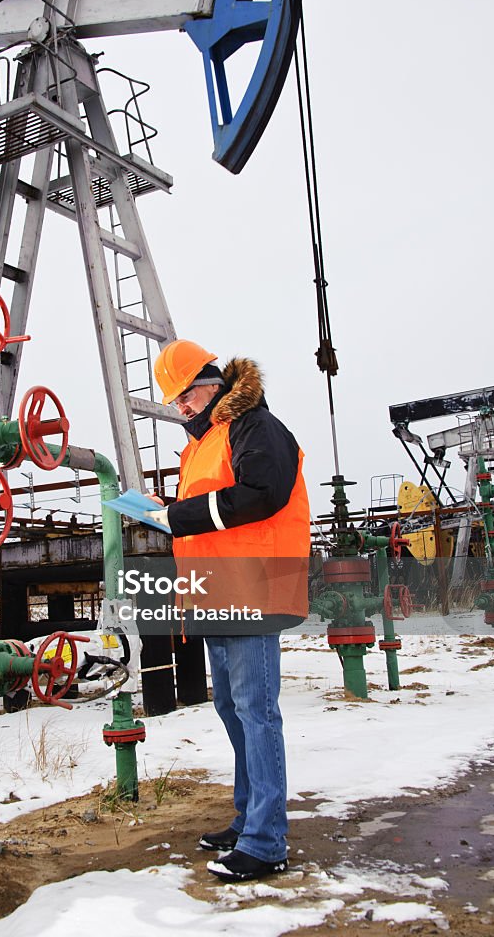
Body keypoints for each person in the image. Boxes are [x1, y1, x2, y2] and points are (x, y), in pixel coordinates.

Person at [146, 339, 311, 883]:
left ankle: (266, 843)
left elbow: (264, 492)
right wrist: (169, 518)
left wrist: (180, 515)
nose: (181, 407)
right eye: (174, 400)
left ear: (212, 382)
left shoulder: (254, 426)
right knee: (233, 710)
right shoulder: (201, 444)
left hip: (253, 590)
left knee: (256, 711)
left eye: (185, 395)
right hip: (218, 593)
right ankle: (248, 820)